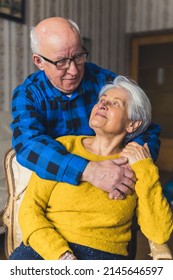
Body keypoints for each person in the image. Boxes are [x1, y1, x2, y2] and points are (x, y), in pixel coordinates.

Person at [9, 76, 173, 260]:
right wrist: (60, 255)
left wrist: (145, 168)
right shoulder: (63, 147)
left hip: (103, 257)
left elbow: (159, 232)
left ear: (132, 124)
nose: (103, 105)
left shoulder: (137, 165)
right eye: (102, 101)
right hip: (44, 250)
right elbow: (30, 210)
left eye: (115, 103)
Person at [10, 17, 161, 200]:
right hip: (61, 184)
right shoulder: (28, 94)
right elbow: (27, 145)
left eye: (78, 56)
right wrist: (90, 171)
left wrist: (128, 165)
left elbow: (147, 130)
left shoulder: (105, 81)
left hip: (114, 177)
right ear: (39, 62)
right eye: (61, 62)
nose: (73, 70)